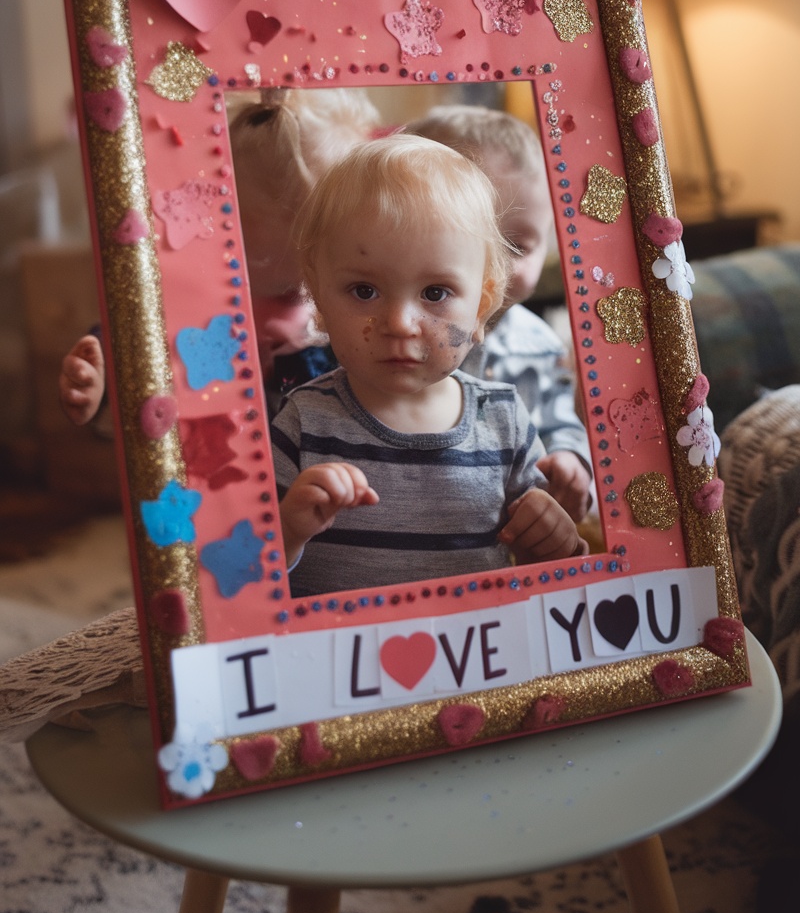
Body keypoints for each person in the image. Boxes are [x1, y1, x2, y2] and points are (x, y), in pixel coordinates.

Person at [271, 134, 587, 597]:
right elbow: (246, 578)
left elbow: (543, 568)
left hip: (478, 656)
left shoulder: (504, 420)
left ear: (481, 307)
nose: (399, 324)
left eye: (435, 293)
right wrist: (288, 530)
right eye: (364, 291)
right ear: (318, 299)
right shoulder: (303, 420)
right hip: (344, 664)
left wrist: (553, 544)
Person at [59, 87, 379, 424]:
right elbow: (139, 339)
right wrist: (99, 379)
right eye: (324, 224)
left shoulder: (342, 311)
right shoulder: (196, 297)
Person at [406, 104, 592, 524]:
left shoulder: (538, 342)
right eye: (472, 238)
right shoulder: (394, 333)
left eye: (519, 246)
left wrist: (569, 459)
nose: (496, 269)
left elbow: (558, 417)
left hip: (510, 530)